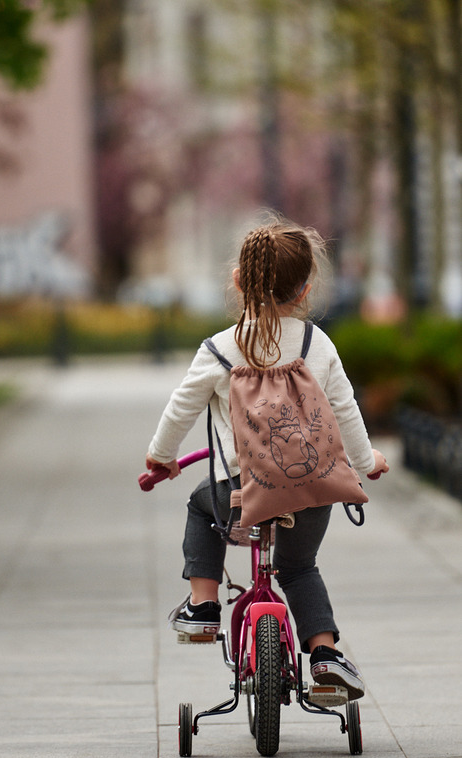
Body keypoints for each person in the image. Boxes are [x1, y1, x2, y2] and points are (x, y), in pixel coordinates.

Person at [145, 217, 389, 700]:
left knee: (198, 506)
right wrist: (367, 461)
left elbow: (181, 408)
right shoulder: (316, 344)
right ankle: (324, 654)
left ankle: (204, 604)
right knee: (300, 570)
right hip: (312, 492)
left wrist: (161, 457)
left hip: (236, 496)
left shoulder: (219, 349)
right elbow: (345, 409)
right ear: (305, 289)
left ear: (239, 282)